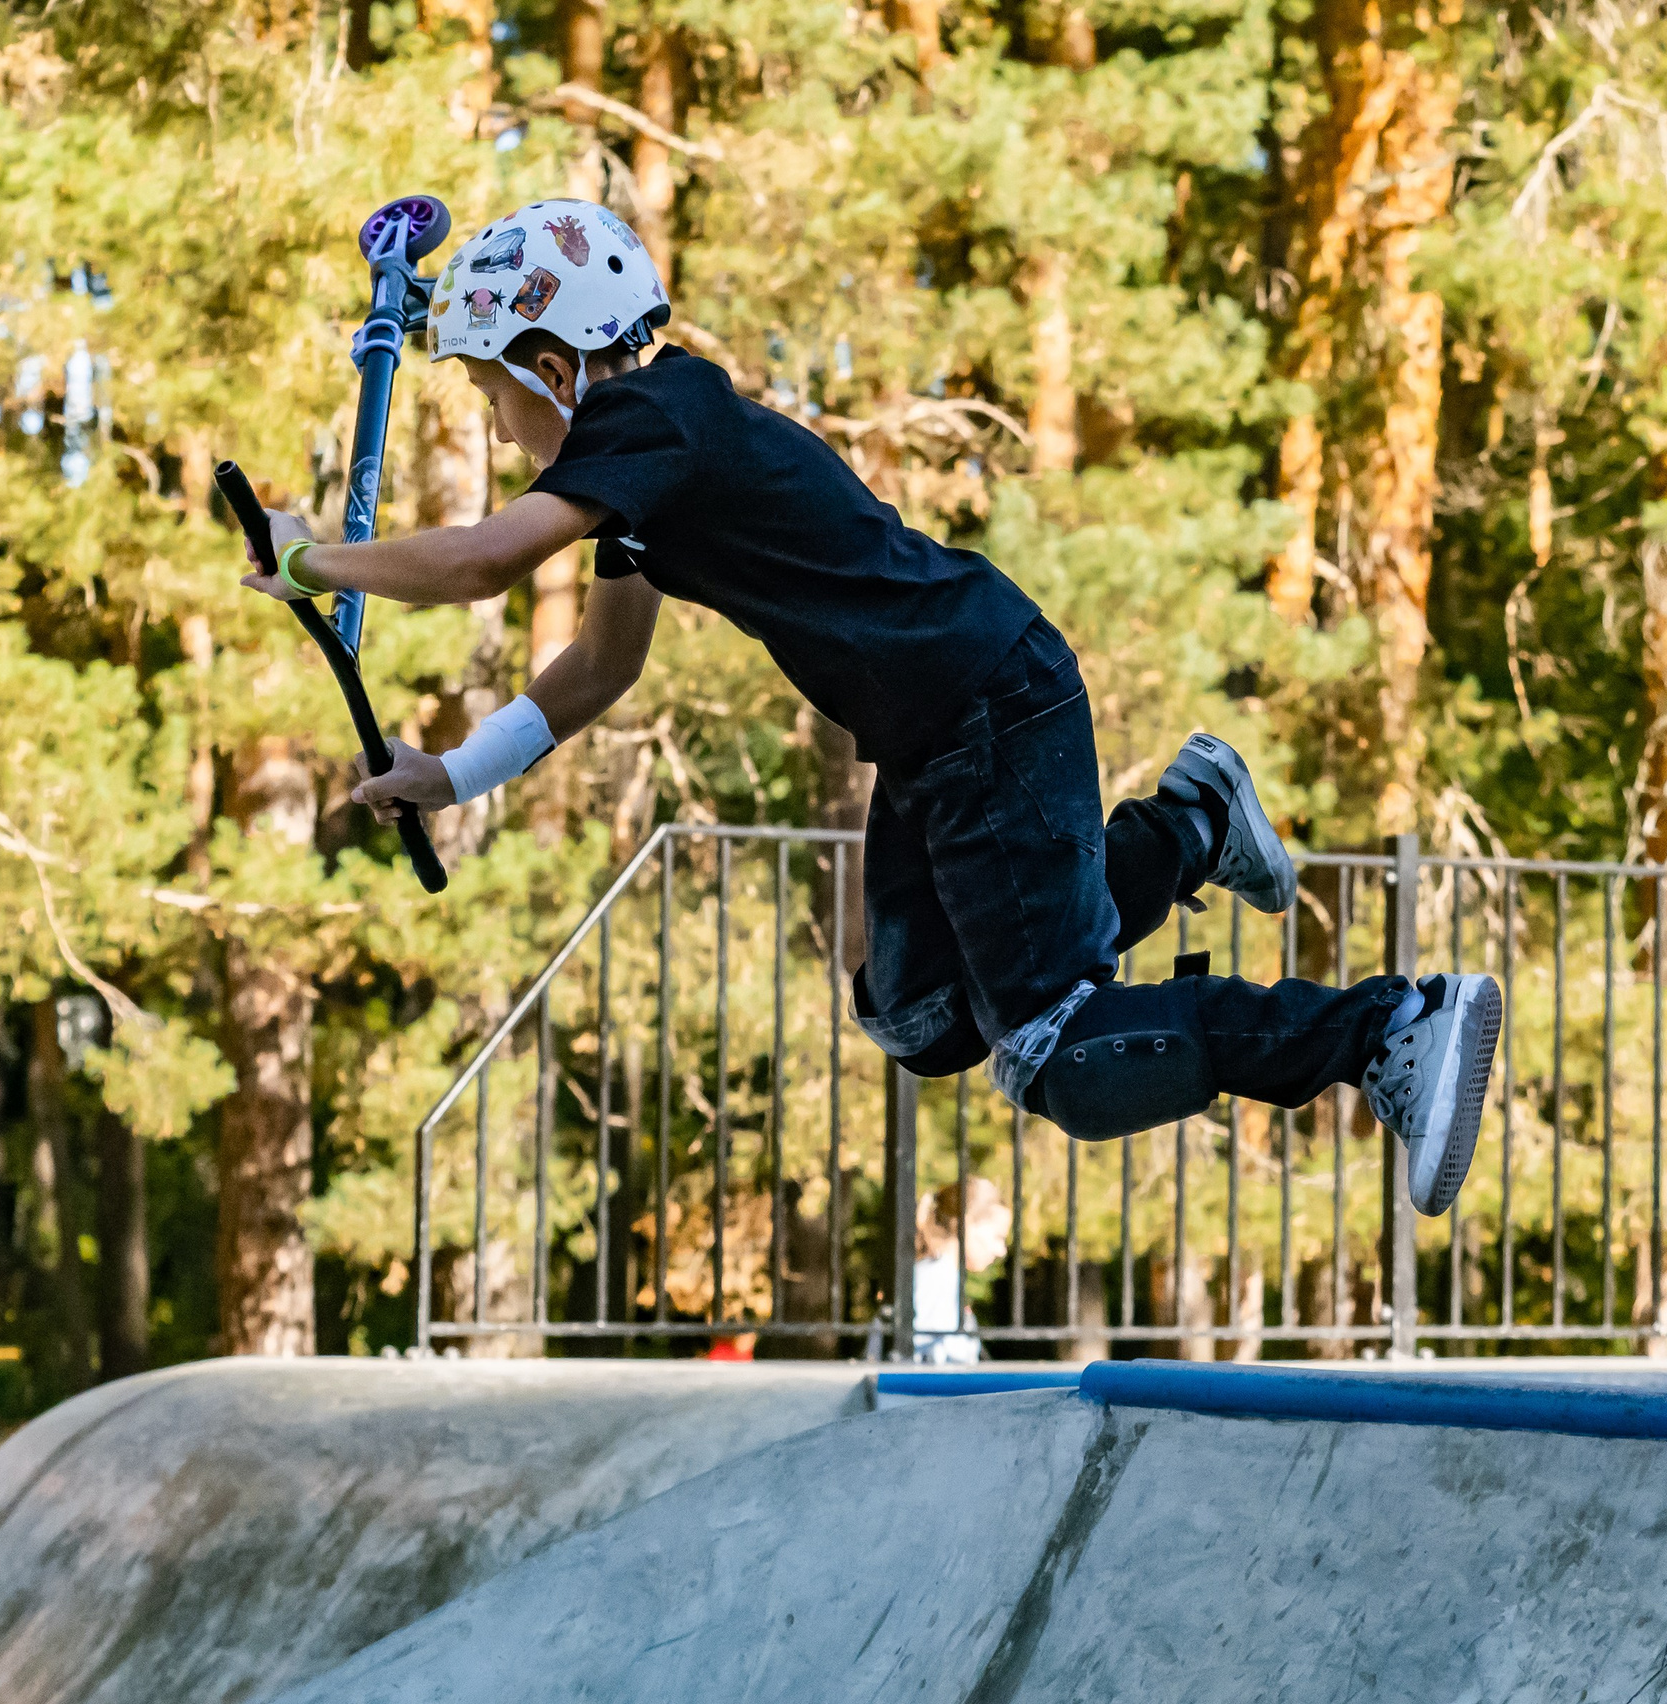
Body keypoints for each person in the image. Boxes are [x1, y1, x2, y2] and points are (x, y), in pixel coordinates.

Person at [243, 200, 1501, 1213]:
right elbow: (600, 668)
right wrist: (453, 774)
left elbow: (478, 564)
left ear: (556, 366)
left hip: (983, 705)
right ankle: (1184, 828)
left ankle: (1392, 1026)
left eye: (490, 396)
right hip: (940, 731)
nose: (499, 427)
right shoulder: (645, 466)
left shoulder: (648, 418)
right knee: (918, 1013)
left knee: (1057, 1053)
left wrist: (311, 560)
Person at [913, 1178, 1014, 1364]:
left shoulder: (942, 1276)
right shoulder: (936, 1279)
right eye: (998, 1236)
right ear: (967, 1225)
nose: (1002, 1251)